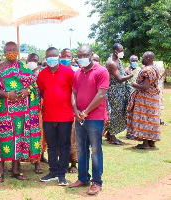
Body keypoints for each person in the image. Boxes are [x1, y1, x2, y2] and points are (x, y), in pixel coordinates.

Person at [0, 41, 40, 183]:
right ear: (4, 51)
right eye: (8, 50)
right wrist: (7, 95)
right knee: (4, 139)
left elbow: (34, 86)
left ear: (17, 51)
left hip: (21, 112)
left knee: (18, 138)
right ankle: (0, 171)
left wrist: (27, 91)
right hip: (5, 111)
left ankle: (15, 170)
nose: (11, 52)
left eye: (14, 49)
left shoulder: (23, 68)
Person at [68, 44, 109, 195]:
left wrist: (85, 111)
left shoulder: (101, 71)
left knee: (96, 150)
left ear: (91, 55)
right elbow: (74, 93)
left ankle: (97, 182)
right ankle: (83, 178)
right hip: (80, 117)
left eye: (85, 55)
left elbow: (100, 95)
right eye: (79, 56)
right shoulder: (78, 73)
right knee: (81, 149)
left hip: (95, 118)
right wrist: (76, 111)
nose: (82, 58)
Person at [38, 47, 74, 186]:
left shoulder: (68, 72)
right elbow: (41, 91)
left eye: (54, 55)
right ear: (46, 58)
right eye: (49, 56)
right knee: (52, 145)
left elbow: (74, 92)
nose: (52, 58)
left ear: (58, 56)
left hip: (65, 116)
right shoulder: (42, 74)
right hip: (48, 116)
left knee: (64, 145)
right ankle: (53, 172)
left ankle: (61, 174)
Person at [127, 51, 161, 150]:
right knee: (152, 119)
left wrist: (134, 85)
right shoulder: (154, 68)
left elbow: (145, 86)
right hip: (152, 98)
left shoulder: (147, 70)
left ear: (149, 59)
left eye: (144, 58)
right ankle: (151, 141)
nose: (142, 59)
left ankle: (145, 143)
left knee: (144, 119)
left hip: (144, 99)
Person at [105, 43, 133, 145]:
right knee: (115, 113)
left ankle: (109, 134)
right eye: (121, 50)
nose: (122, 52)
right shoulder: (111, 62)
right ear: (115, 51)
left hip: (120, 91)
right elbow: (119, 79)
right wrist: (131, 76)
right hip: (114, 91)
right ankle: (112, 137)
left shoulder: (118, 60)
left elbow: (121, 73)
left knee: (119, 112)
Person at [26, 53, 47, 174]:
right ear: (26, 61)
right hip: (22, 109)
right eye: (30, 59)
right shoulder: (21, 74)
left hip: (37, 109)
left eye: (35, 60)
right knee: (22, 135)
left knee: (37, 136)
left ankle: (37, 162)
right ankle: (17, 163)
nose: (32, 62)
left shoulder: (41, 75)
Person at [59, 48, 78, 173]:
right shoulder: (57, 71)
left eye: (68, 56)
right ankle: (63, 162)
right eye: (64, 56)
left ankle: (74, 163)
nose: (66, 58)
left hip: (74, 108)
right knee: (62, 137)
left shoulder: (77, 72)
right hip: (60, 109)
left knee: (73, 137)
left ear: (72, 58)